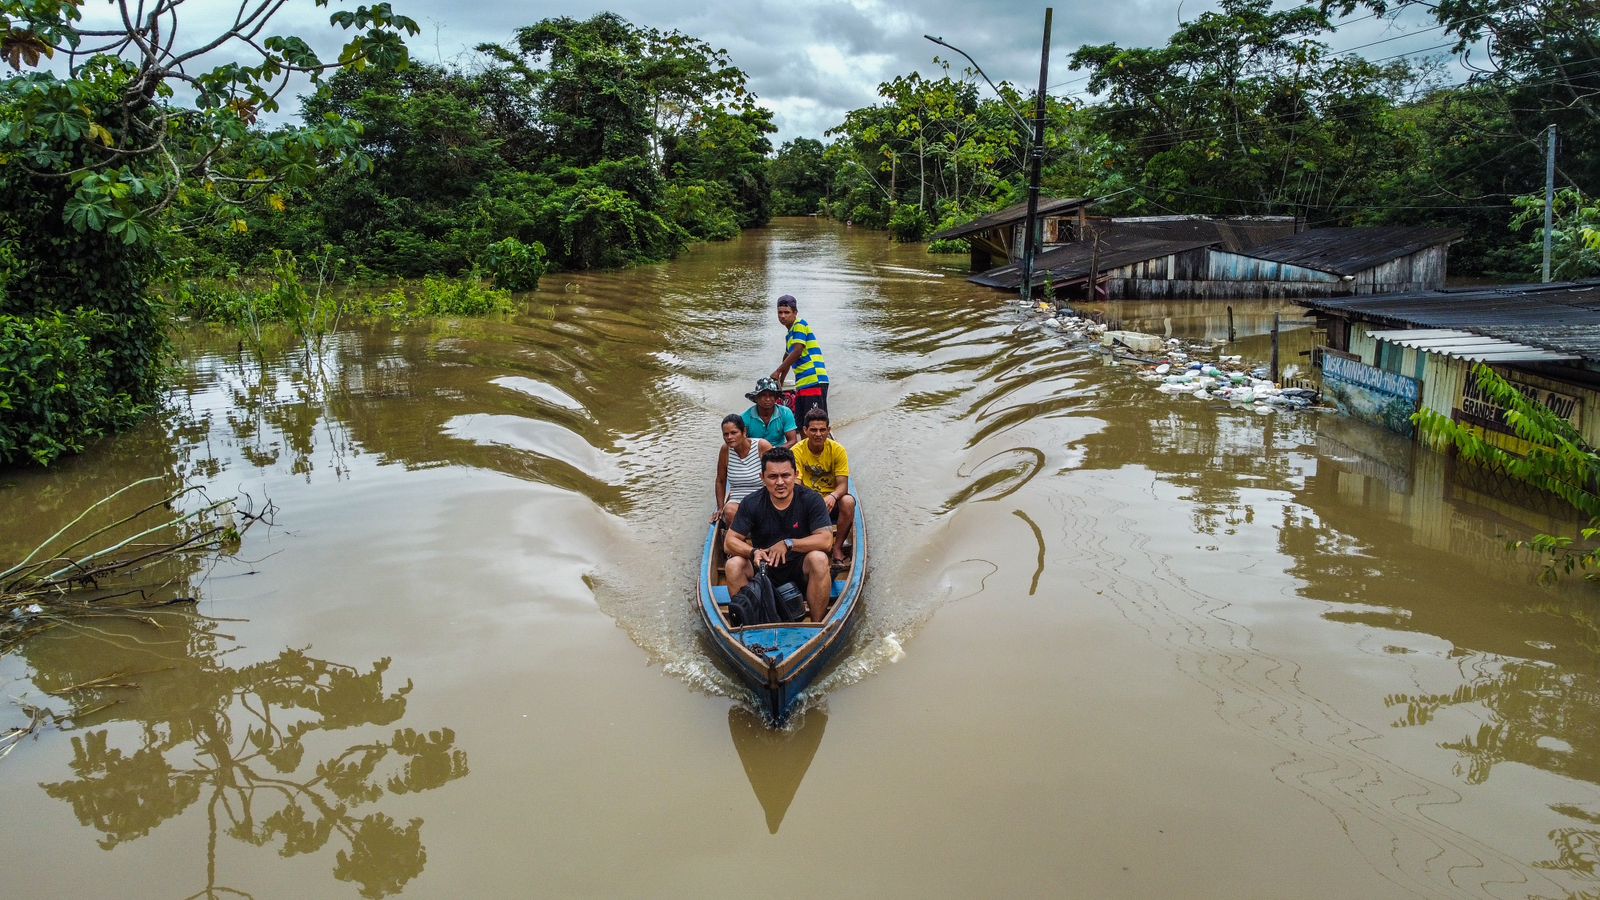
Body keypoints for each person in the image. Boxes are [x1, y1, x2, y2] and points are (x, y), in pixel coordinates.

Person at [725, 447, 835, 622]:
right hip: (764, 570)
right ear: (762, 478)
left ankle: (816, 625)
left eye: (785, 475)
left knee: (819, 559)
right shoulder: (751, 503)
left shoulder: (811, 499)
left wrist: (789, 543)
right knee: (733, 564)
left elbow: (827, 540)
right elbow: (729, 541)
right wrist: (753, 552)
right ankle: (752, 625)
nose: (780, 482)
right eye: (773, 477)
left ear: (796, 474)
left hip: (801, 568)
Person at [790, 407, 855, 565]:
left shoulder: (837, 450)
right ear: (805, 430)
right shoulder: (796, 452)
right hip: (807, 501)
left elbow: (843, 486)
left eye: (822, 430)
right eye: (813, 430)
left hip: (832, 502)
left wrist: (832, 496)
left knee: (848, 502)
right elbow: (796, 485)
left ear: (828, 430)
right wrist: (814, 501)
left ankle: (838, 548)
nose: (818, 434)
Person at [770, 295, 829, 420]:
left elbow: (797, 352)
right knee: (802, 424)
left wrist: (777, 371)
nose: (783, 316)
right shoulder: (789, 335)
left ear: (795, 313)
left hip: (814, 380)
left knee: (815, 423)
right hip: (802, 382)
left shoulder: (799, 324)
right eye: (780, 312)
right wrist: (780, 381)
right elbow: (787, 357)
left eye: (787, 312)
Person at [712, 414, 771, 525]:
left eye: (734, 433)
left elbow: (775, 474)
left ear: (744, 432)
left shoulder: (762, 446)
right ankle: (742, 537)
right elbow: (720, 480)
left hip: (762, 498)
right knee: (728, 511)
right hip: (737, 500)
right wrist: (720, 508)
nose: (729, 437)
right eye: (726, 434)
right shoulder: (725, 450)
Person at [741, 377, 798, 449]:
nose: (768, 399)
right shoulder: (745, 417)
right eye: (763, 395)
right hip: (755, 452)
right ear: (756, 398)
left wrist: (772, 452)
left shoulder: (785, 413)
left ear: (776, 398)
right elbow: (741, 442)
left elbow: (792, 441)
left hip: (779, 451)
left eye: (771, 395)